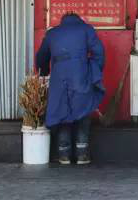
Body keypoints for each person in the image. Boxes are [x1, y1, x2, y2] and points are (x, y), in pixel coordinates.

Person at [36, 12, 105, 165]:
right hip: (81, 75)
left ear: (63, 21)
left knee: (62, 113)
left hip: (59, 78)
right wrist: (94, 70)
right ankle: (82, 155)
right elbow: (99, 53)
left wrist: (44, 72)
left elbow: (41, 57)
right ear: (78, 19)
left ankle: (64, 155)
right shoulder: (86, 29)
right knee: (83, 111)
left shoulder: (53, 33)